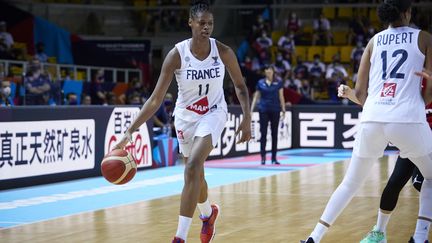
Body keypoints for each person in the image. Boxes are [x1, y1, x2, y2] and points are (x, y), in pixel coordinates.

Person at [113, 1, 252, 243]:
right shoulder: (177, 55)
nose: (206, 27)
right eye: (202, 23)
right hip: (185, 116)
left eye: (210, 23)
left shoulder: (223, 52)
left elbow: (240, 87)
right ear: (190, 23)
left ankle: (180, 237)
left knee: (191, 167)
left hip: (213, 113)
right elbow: (156, 99)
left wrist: (247, 119)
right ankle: (208, 214)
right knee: (196, 176)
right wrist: (130, 131)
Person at [302, 1, 432, 242]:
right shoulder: (424, 37)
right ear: (408, 12)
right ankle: (420, 237)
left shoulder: (374, 41)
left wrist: (350, 93)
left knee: (350, 183)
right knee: (431, 177)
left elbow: (360, 95)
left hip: (372, 117)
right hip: (407, 119)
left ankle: (314, 237)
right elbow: (427, 95)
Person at [250, 65, 285, 165]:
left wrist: (283, 109)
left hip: (275, 110)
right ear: (264, 71)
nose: (268, 71)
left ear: (273, 72)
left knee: (274, 134)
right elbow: (256, 97)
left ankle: (274, 158)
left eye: (270, 70)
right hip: (263, 110)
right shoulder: (260, 83)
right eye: (266, 70)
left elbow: (281, 96)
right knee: (263, 134)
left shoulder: (278, 82)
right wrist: (251, 110)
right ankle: (263, 157)